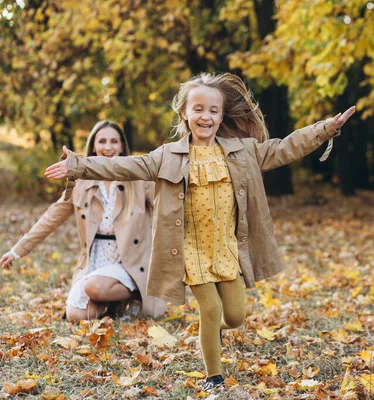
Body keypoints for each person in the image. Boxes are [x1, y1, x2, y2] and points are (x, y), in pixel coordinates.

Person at [45, 73, 355, 392]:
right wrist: (78, 165)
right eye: (198, 109)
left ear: (222, 115)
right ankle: (213, 378)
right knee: (211, 308)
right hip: (191, 251)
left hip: (225, 250)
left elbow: (285, 148)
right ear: (185, 112)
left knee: (234, 317)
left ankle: (209, 336)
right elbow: (123, 166)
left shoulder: (241, 151)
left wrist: (326, 128)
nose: (205, 117)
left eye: (213, 111)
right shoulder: (168, 156)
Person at [2, 121, 166, 322]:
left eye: (114, 141)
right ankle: (115, 301)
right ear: (94, 146)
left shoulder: (139, 180)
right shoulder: (81, 183)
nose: (108, 147)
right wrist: (17, 250)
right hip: (96, 259)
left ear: (122, 146)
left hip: (130, 260)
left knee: (94, 287)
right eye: (102, 141)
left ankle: (141, 292)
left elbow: (165, 212)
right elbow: (51, 217)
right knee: (76, 315)